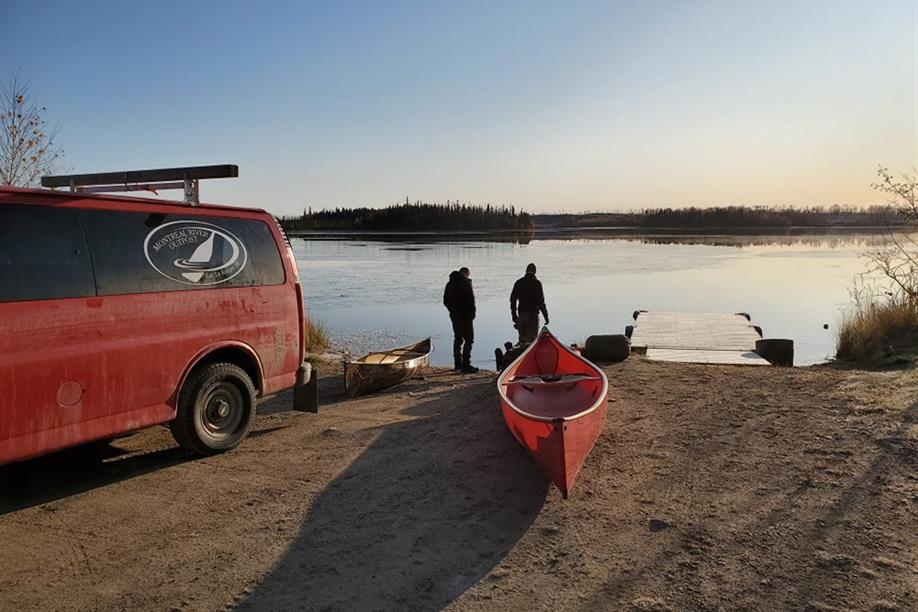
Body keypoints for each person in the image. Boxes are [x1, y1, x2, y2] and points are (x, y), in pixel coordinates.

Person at [442, 266, 479, 373]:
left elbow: (445, 301)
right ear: (466, 274)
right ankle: (466, 364)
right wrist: (472, 314)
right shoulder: (466, 283)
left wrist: (452, 310)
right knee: (469, 339)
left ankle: (457, 363)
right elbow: (471, 300)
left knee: (458, 339)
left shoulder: (450, 284)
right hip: (466, 316)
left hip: (454, 316)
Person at [510, 262, 549, 345]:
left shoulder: (518, 282)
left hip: (522, 316)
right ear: (535, 272)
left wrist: (514, 316)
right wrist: (546, 316)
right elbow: (541, 302)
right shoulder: (537, 283)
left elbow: (512, 300)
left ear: (526, 271)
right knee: (531, 343)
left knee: (522, 342)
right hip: (533, 316)